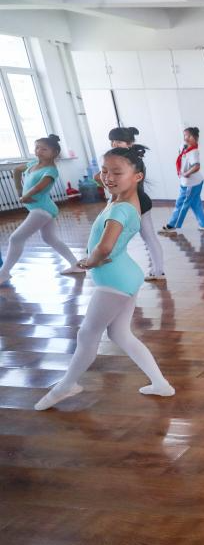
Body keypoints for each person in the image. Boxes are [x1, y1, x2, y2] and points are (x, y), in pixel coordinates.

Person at [34, 145, 176, 410]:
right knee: (121, 334)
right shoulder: (124, 200)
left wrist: (89, 261)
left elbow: (106, 247)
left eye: (117, 173)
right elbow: (105, 182)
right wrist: (112, 168)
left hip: (114, 281)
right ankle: (160, 384)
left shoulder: (120, 209)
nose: (108, 177)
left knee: (87, 334)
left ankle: (66, 386)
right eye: (104, 171)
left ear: (138, 176)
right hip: (125, 275)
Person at [0, 134, 82, 286]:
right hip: (41, 208)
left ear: (54, 153)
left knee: (16, 238)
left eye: (44, 149)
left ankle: (4, 273)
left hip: (42, 209)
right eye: (37, 148)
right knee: (50, 239)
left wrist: (26, 196)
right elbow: (17, 170)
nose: (39, 151)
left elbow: (39, 187)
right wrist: (19, 190)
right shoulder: (32, 164)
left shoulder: (51, 170)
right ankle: (76, 265)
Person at [99, 127, 166, 281]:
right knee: (131, 238)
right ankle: (154, 270)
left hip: (138, 202)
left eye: (118, 141)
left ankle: (158, 271)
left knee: (148, 237)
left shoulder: (132, 161)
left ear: (129, 143)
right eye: (112, 141)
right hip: (126, 202)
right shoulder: (116, 159)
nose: (114, 144)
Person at [161, 127, 204, 233]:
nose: (186, 138)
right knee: (195, 204)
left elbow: (196, 166)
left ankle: (172, 225)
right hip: (193, 182)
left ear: (196, 138)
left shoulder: (194, 152)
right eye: (185, 135)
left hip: (191, 184)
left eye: (189, 136)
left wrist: (187, 173)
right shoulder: (184, 146)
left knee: (181, 204)